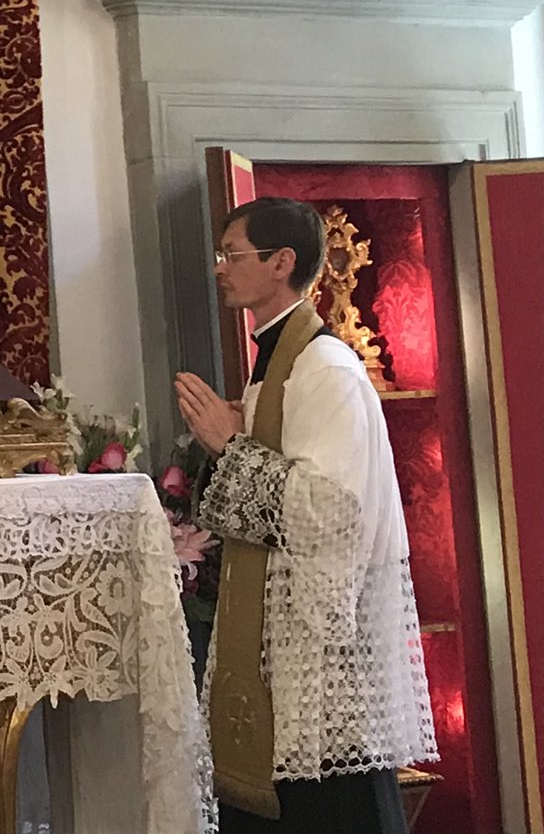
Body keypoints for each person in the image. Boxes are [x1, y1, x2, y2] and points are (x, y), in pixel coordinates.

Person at [175, 196, 436, 834]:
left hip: (320, 654)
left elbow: (331, 509)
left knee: (332, 807)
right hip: (280, 643)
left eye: (233, 255)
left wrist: (227, 447)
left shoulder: (325, 367)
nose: (221, 268)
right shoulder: (278, 363)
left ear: (281, 262)